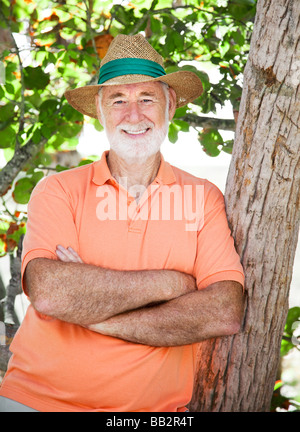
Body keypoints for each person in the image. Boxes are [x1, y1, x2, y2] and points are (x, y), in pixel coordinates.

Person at [0, 34, 245, 412]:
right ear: (99, 110)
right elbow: (50, 293)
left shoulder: (204, 197)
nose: (134, 115)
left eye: (146, 98)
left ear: (170, 104)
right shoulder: (58, 191)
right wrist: (172, 283)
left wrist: (93, 315)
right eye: (118, 100)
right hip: (35, 401)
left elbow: (223, 311)